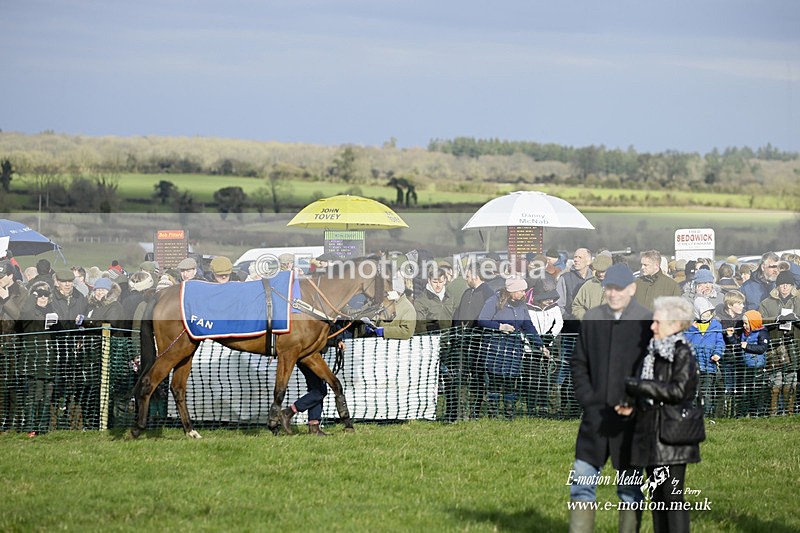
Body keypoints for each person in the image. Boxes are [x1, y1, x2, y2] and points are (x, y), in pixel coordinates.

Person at [568, 263, 653, 533]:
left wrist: (635, 402)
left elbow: (651, 367)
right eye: (609, 288)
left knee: (630, 492)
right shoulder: (593, 318)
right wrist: (588, 400)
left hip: (631, 422)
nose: (613, 294)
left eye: (619, 289)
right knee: (581, 485)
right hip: (594, 418)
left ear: (632, 289)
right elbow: (579, 364)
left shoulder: (646, 320)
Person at [618, 296, 701, 533]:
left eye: (657, 322)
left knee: (672, 501)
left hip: (672, 435)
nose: (652, 327)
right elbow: (647, 386)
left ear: (675, 325)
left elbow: (679, 390)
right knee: (658, 500)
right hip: (650, 432)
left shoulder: (682, 351)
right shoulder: (652, 352)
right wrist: (630, 403)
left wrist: (639, 387)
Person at [477, 276, 542, 419]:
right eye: (520, 291)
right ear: (511, 291)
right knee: (494, 382)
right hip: (495, 348)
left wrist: (541, 345)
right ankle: (493, 414)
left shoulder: (522, 305)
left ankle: (509, 415)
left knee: (510, 383)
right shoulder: (493, 301)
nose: (524, 294)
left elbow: (528, 327)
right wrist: (500, 326)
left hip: (514, 350)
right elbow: (482, 319)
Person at [454, 260, 497, 418]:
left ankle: (476, 410)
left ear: (476, 275)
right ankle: (462, 409)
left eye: (467, 275)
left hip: (480, 342)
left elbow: (488, 317)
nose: (466, 278)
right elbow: (458, 314)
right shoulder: (467, 293)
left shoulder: (488, 293)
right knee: (464, 376)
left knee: (479, 377)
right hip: (464, 341)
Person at [18, 281, 60, 436]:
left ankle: (43, 428)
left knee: (46, 396)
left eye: (45, 295)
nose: (43, 298)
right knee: (33, 397)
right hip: (33, 361)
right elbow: (24, 313)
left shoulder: (51, 311)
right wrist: (33, 294)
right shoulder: (30, 312)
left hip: (49, 361)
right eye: (39, 295)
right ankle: (30, 428)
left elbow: (60, 330)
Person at [758, 270, 800, 416]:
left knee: (791, 381)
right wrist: (776, 320)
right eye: (782, 284)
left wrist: (796, 319)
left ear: (792, 286)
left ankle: (789, 412)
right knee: (775, 382)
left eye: (788, 284)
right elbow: (760, 322)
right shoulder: (766, 303)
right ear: (777, 286)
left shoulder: (798, 301)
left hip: (794, 345)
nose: (785, 287)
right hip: (774, 346)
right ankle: (773, 413)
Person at [0, 260, 29, 431]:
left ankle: (12, 423)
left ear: (10, 276)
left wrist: (6, 299)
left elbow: (20, 317)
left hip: (13, 346)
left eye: (2, 277)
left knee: (12, 386)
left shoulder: (22, 293)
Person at [525, 279, 560, 416]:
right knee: (532, 379)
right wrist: (536, 342)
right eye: (547, 298)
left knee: (546, 378)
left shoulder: (554, 308)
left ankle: (544, 407)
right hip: (530, 348)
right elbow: (525, 326)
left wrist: (550, 336)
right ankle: (531, 407)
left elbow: (559, 323)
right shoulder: (527, 308)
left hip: (548, 347)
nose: (550, 301)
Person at [684, 297, 725, 417]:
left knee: (706, 391)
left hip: (709, 365)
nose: (707, 314)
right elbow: (685, 342)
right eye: (704, 312)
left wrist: (718, 354)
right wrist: (691, 328)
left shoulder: (716, 325)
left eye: (709, 311)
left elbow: (720, 342)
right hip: (692, 366)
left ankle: (705, 414)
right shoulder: (690, 326)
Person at [279, 361, 330, 436]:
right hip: (308, 354)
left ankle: (314, 428)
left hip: (310, 354)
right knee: (320, 391)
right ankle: (288, 412)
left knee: (317, 388)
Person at [716, 290, 746, 417]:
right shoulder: (719, 319)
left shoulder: (743, 318)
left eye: (742, 303)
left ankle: (738, 413)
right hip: (726, 357)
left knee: (741, 386)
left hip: (741, 356)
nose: (742, 306)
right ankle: (727, 413)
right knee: (728, 385)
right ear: (729, 305)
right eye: (739, 304)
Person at [740, 310, 769, 417]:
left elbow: (762, 348)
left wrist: (747, 346)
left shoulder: (762, 332)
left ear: (753, 323)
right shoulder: (744, 333)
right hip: (746, 366)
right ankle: (746, 413)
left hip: (757, 366)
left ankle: (758, 412)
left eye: (746, 323)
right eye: (743, 323)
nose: (744, 325)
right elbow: (739, 345)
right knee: (746, 390)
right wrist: (730, 337)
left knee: (757, 391)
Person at [556, 247, 593, 322]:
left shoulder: (595, 280)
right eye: (575, 257)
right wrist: (569, 320)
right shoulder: (565, 278)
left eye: (580, 257)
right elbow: (558, 305)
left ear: (588, 261)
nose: (576, 260)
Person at [571, 254, 612, 321]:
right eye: (598, 271)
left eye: (603, 271)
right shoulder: (588, 285)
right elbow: (577, 306)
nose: (600, 274)